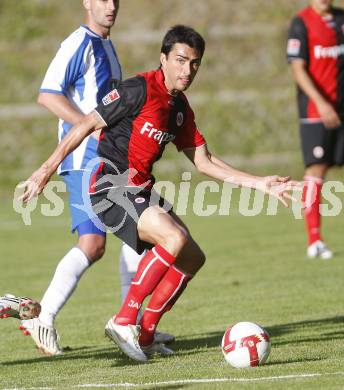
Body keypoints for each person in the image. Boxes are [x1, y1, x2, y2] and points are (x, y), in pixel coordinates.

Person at [22, 25, 298, 361]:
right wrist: (45, 170)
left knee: (192, 256)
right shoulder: (137, 89)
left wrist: (261, 183)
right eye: (180, 60)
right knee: (173, 238)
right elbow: (85, 125)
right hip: (108, 183)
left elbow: (205, 161)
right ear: (163, 58)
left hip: (138, 188)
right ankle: (124, 321)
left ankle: (147, 333)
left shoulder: (179, 108)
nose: (187, 70)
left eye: (194, 63)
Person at [11, 0, 173, 356]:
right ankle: (46, 317)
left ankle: (129, 323)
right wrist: (91, 129)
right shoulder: (78, 44)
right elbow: (48, 94)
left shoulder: (106, 45)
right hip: (86, 160)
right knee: (96, 243)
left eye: (115, 0)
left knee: (137, 237)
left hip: (110, 161)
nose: (111, 6)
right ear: (86, 2)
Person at [287, 0, 344, 259]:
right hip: (316, 112)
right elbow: (297, 69)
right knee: (316, 170)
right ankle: (315, 240)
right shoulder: (301, 23)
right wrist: (321, 103)